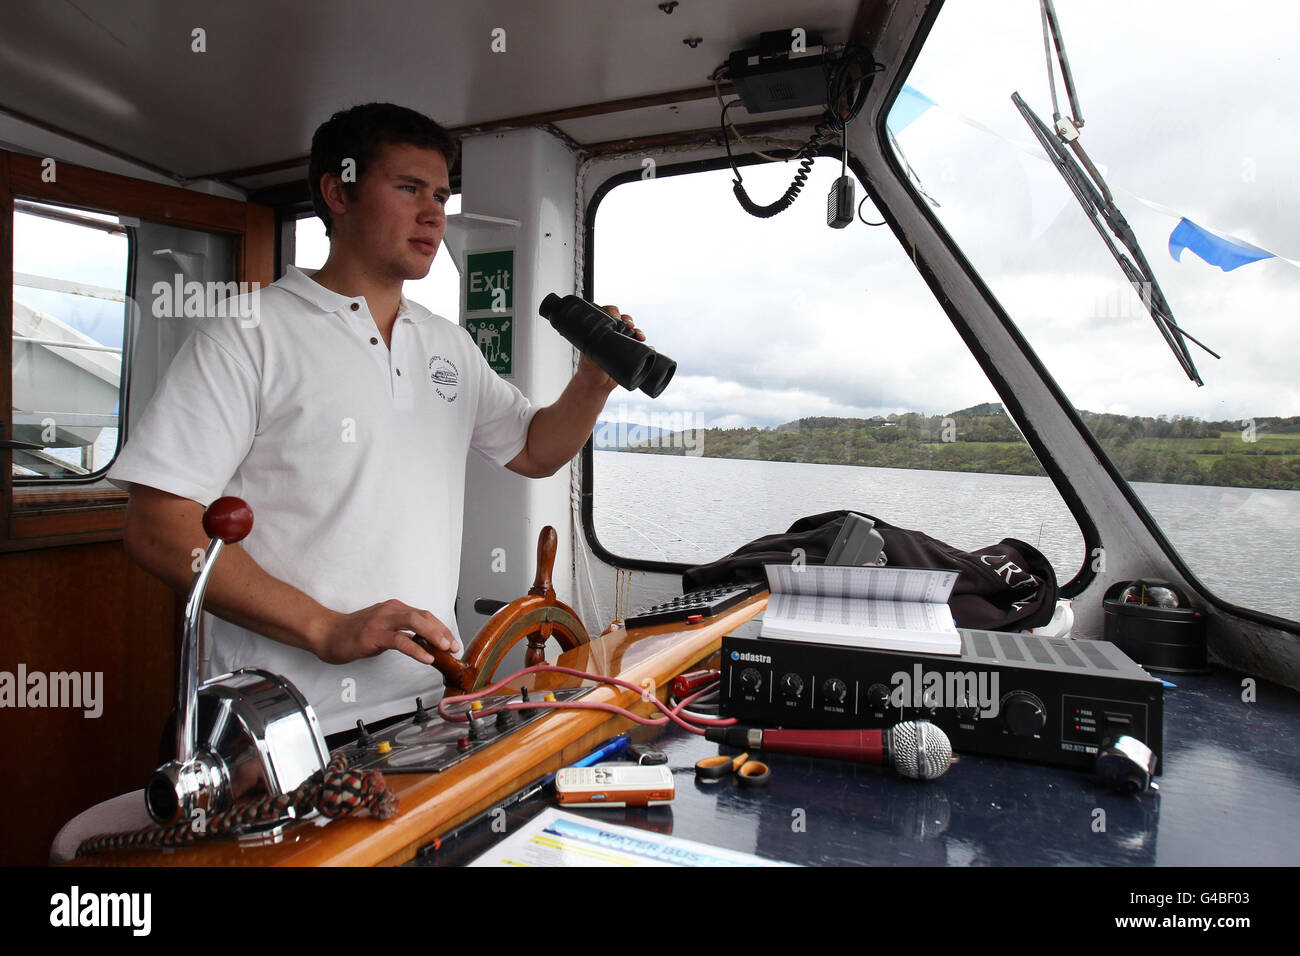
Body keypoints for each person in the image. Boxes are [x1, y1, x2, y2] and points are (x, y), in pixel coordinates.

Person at [109, 103, 641, 739]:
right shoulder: (248, 334)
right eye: (408, 188)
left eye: (442, 194)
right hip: (277, 721)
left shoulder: (448, 346)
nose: (433, 212)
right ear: (338, 192)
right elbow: (157, 527)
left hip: (424, 705)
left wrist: (592, 381)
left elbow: (534, 449)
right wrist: (326, 628)